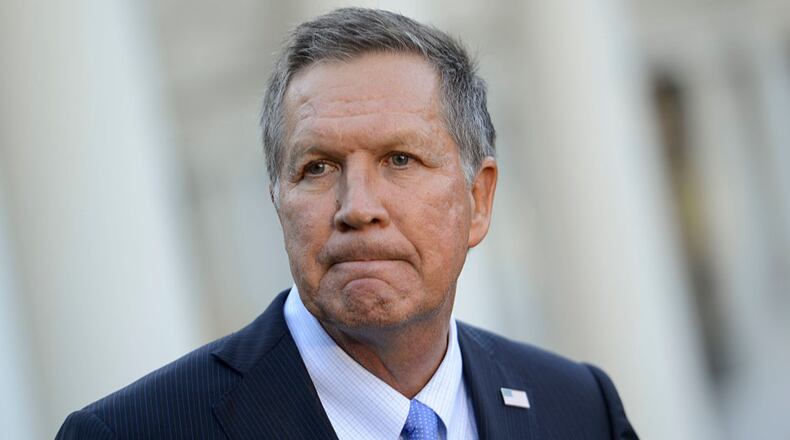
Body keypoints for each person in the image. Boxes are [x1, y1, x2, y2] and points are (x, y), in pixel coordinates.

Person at [57, 7, 638, 439]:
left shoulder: (580, 408)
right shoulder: (131, 432)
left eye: (399, 159)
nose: (357, 206)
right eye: (317, 167)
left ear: (478, 199)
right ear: (277, 200)